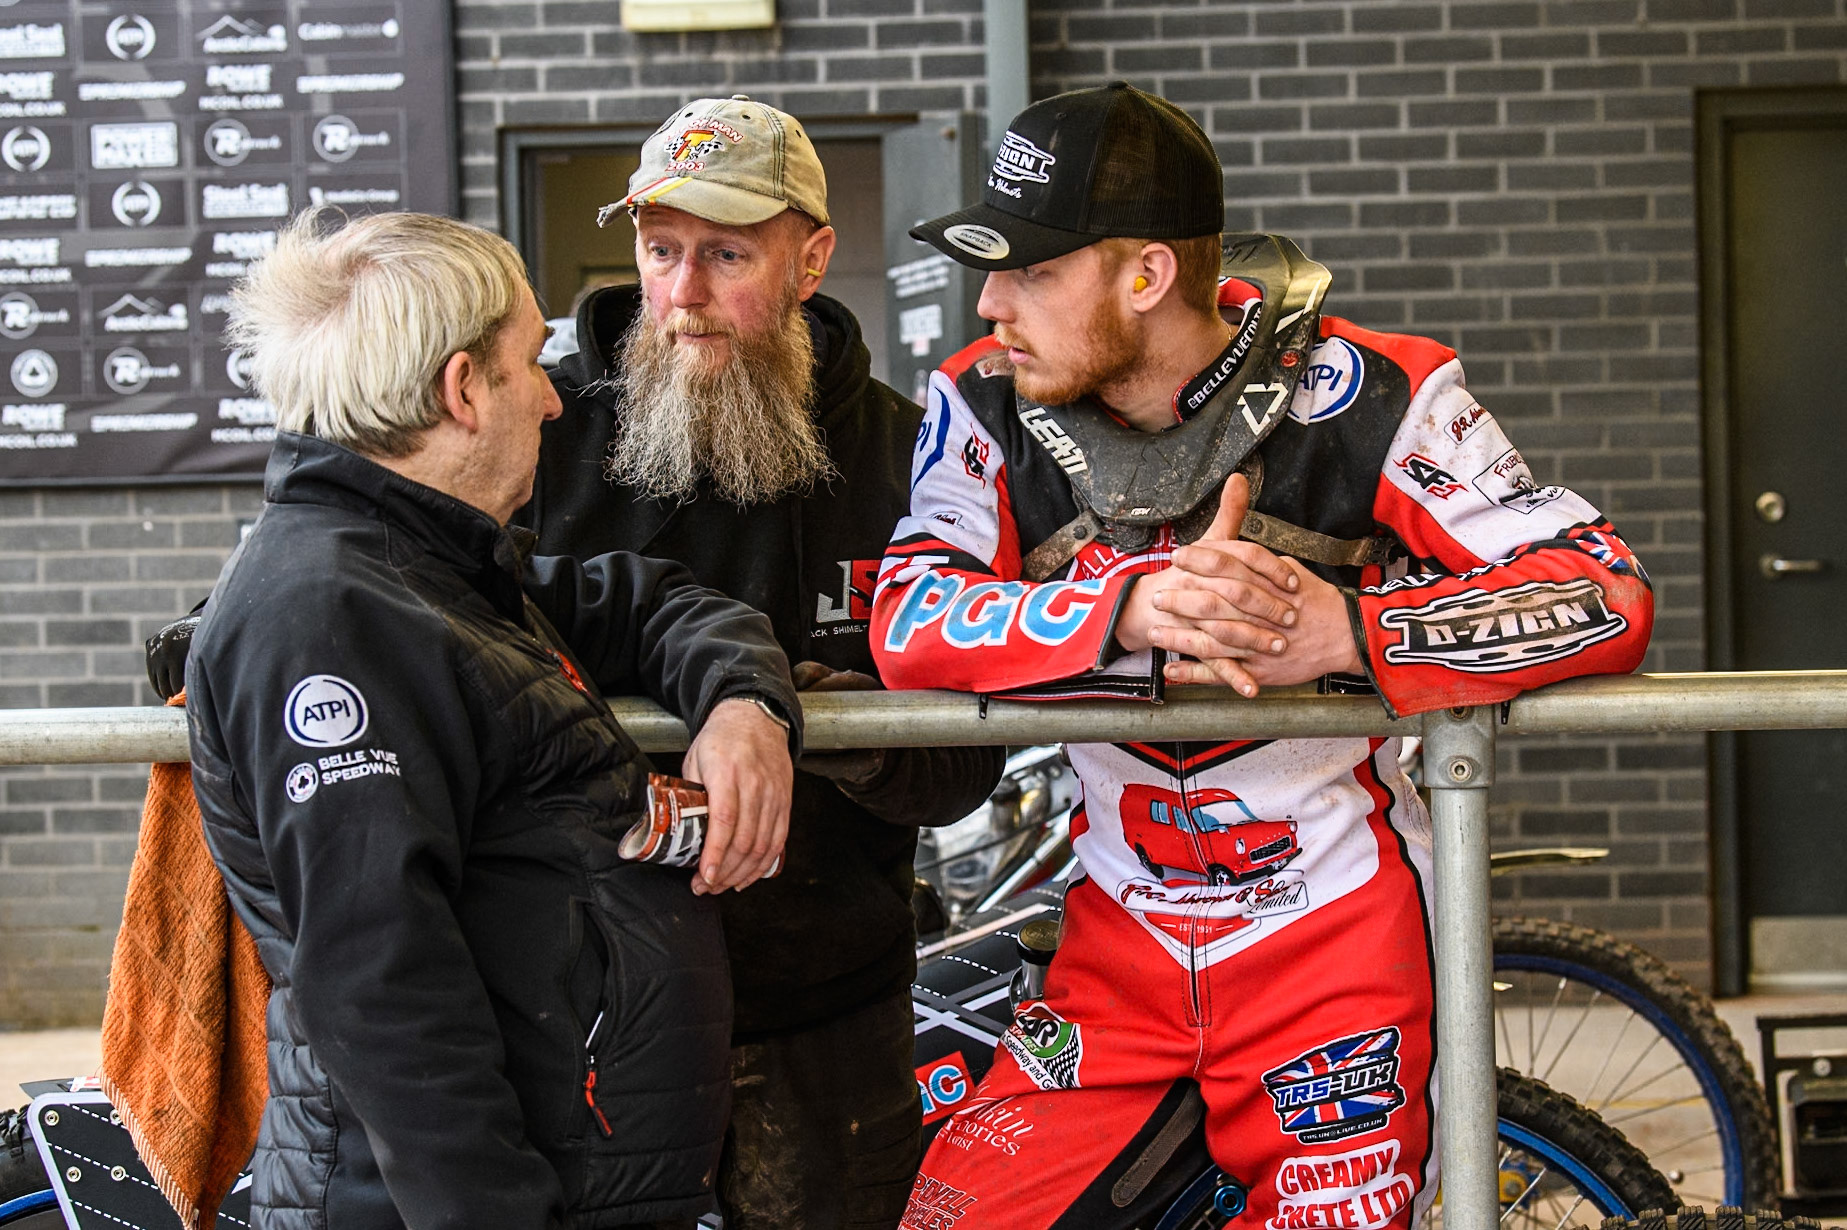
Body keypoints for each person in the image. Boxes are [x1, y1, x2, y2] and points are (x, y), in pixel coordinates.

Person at [871, 83, 1656, 1229]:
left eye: (1031, 271)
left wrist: (1350, 631)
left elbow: (1603, 589)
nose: (987, 302)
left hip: (1337, 955)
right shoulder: (976, 401)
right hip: (1114, 953)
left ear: (1143, 275)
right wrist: (1132, 610)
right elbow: (906, 620)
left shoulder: (1379, 392)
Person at [183, 208, 801, 1230]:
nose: (555, 401)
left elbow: (652, 603)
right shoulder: (336, 614)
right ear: (461, 390)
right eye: (527, 363)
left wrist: (744, 705)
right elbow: (383, 989)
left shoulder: (436, 571)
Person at [520, 95, 1006, 1230]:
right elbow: (396, 571)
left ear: (811, 258)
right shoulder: (533, 436)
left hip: (824, 1014)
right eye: (660, 251)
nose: (683, 294)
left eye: (726, 254)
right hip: (586, 1008)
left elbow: (967, 764)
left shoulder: (908, 457)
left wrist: (844, 742)